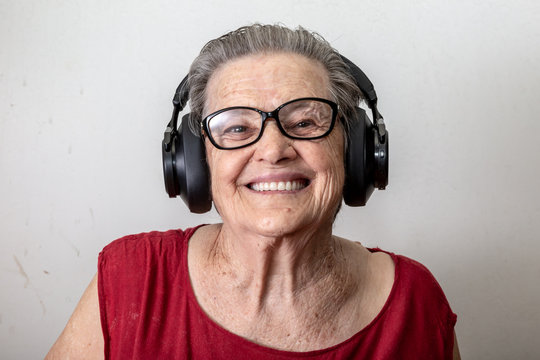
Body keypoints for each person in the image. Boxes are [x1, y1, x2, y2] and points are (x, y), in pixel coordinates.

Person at [46, 24, 460, 359]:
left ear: (354, 151)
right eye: (238, 128)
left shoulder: (417, 304)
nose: (274, 150)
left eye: (305, 122)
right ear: (195, 160)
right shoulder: (129, 281)